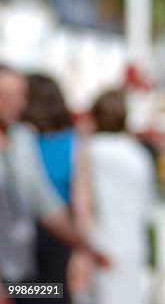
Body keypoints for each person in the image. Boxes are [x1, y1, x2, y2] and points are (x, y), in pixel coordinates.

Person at [0, 64, 108, 303]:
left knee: (50, 294)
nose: (21, 104)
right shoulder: (70, 141)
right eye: (11, 96)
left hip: (29, 262)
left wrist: (83, 248)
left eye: (23, 96)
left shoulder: (22, 137)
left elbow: (42, 200)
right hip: (26, 260)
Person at [71, 89, 156, 304]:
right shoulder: (139, 153)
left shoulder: (89, 149)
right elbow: (147, 204)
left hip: (101, 245)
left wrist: (81, 248)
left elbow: (81, 202)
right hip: (133, 246)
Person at [21, 74, 79, 303]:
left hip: (28, 237)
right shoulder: (74, 143)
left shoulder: (20, 142)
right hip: (62, 238)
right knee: (55, 295)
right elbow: (81, 203)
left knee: (27, 294)